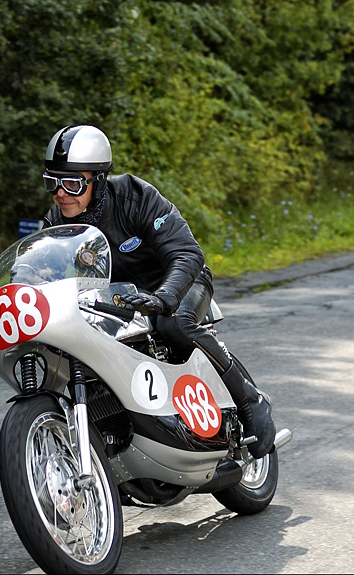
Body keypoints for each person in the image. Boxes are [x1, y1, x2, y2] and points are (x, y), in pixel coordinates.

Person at [41, 124, 276, 458]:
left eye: (72, 183)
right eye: (52, 182)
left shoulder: (136, 196)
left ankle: (250, 401)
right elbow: (46, 275)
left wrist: (165, 297)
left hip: (179, 284)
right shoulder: (56, 223)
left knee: (173, 325)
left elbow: (187, 253)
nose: (60, 193)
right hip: (119, 302)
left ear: (98, 179)